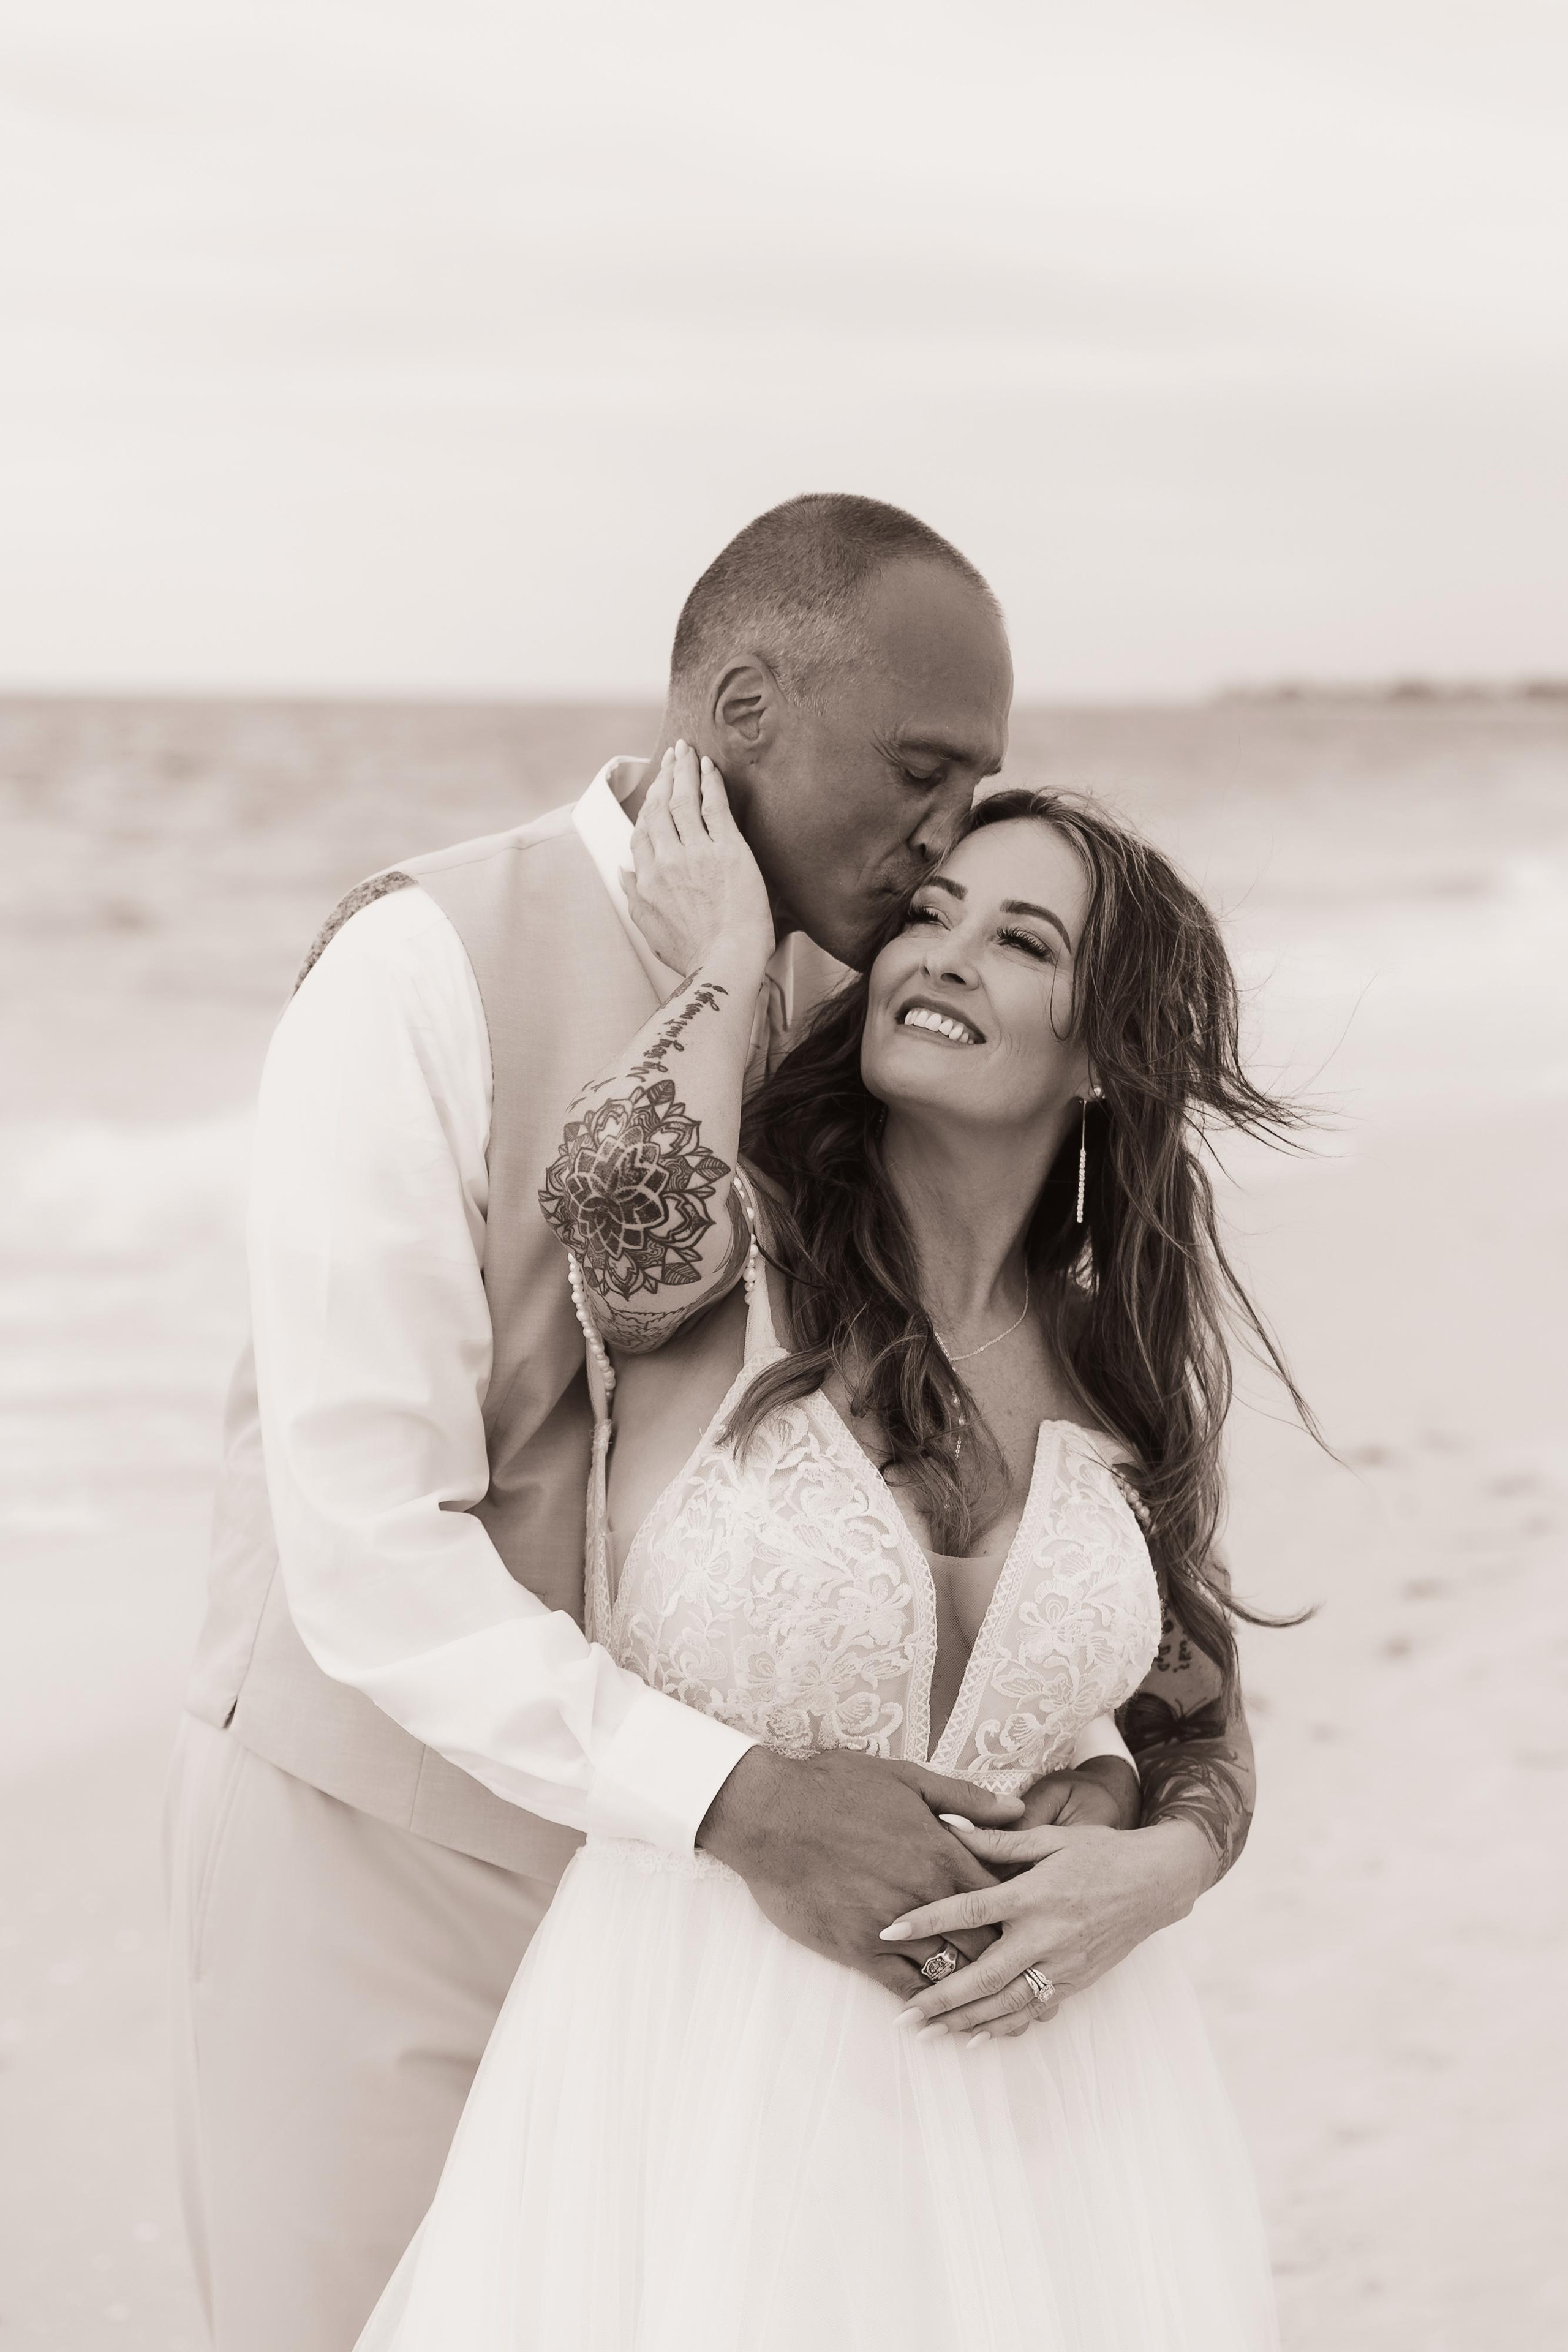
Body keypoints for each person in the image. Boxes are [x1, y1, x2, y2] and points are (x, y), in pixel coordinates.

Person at [165, 496, 1263, 2350]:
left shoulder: (881, 1009)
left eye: (978, 794)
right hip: (392, 1849)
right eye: (922, 774)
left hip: (741, 1914)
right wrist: (738, 1802)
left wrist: (1130, 1817)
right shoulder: (419, 967)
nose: (943, 848)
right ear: (743, 706)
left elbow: (1059, 1506)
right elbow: (363, 1535)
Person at [356, 753, 1292, 2349]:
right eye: (930, 913)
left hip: (1064, 2093)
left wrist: (1160, 1871)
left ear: (1104, 1058)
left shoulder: (1115, 1368)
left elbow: (1192, 1707)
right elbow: (609, 1193)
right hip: (701, 2065)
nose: (942, 952)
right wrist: (725, 963)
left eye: (1021, 941)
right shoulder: (733, 1289)